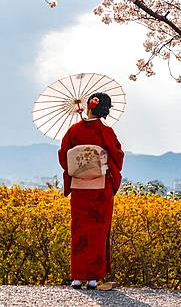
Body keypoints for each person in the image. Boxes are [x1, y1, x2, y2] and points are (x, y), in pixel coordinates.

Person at [58, 92, 124, 290]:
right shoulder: (106, 132)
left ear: (89, 106)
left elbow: (63, 156)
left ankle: (77, 277)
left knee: (79, 231)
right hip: (100, 188)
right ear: (105, 109)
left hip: (79, 187)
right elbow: (118, 157)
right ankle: (93, 278)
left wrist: (81, 158)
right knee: (98, 231)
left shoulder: (74, 130)